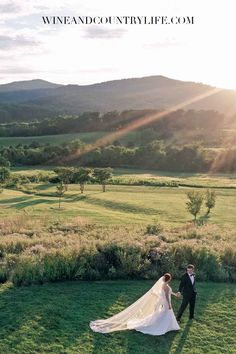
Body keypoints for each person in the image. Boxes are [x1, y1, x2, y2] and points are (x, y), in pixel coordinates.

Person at [90, 273, 180, 335]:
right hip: (166, 302)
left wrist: (175, 294)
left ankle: (167, 326)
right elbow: (167, 297)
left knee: (162, 314)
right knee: (166, 314)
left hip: (163, 301)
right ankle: (164, 327)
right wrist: (169, 305)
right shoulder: (166, 287)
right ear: (169, 279)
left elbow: (167, 293)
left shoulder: (163, 285)